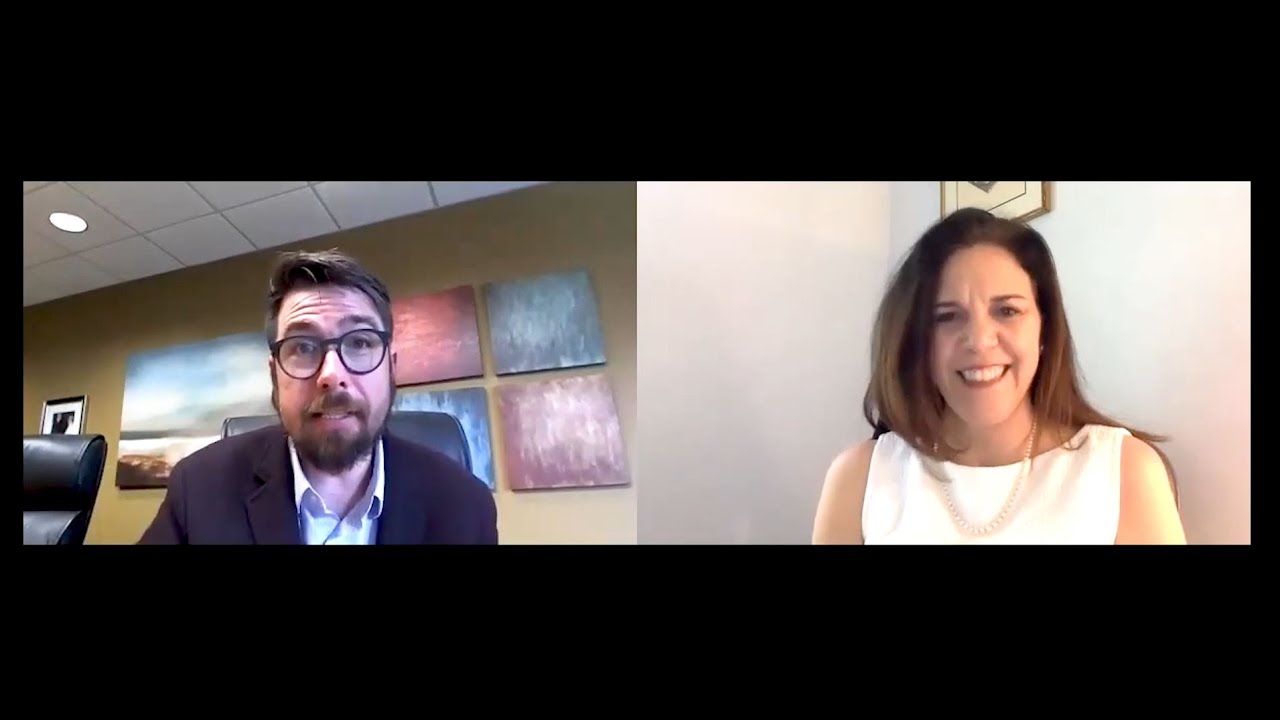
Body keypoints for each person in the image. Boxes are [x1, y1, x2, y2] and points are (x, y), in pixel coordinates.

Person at [813, 208, 1186, 544]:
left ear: (1044, 330)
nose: (979, 341)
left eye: (1007, 311)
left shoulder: (1124, 471)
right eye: (947, 316)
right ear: (917, 340)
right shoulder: (859, 478)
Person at [139, 249, 498, 544]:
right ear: (274, 375)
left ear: (391, 368)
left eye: (359, 342)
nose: (331, 375)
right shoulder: (198, 489)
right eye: (303, 346)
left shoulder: (466, 507)